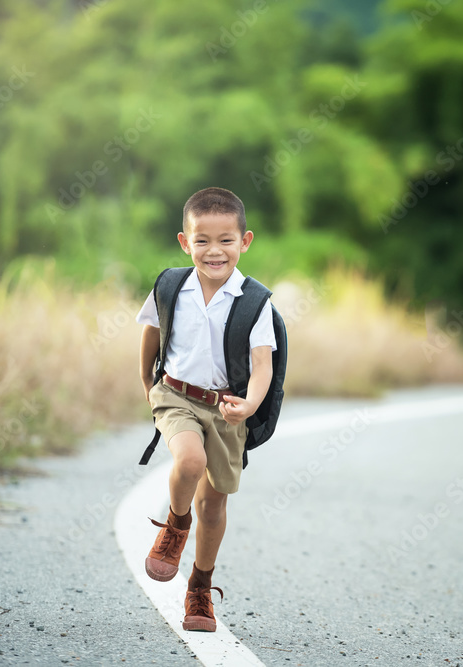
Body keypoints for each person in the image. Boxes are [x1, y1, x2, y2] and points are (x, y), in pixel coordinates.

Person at [135, 186, 276, 631]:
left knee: (213, 506)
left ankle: (199, 586)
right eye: (202, 241)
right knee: (190, 460)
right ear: (184, 241)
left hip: (228, 408)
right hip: (176, 394)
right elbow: (152, 334)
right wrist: (146, 382)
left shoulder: (255, 302)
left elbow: (261, 366)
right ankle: (175, 528)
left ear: (245, 241)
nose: (214, 251)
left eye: (226, 241)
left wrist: (249, 404)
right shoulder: (171, 286)